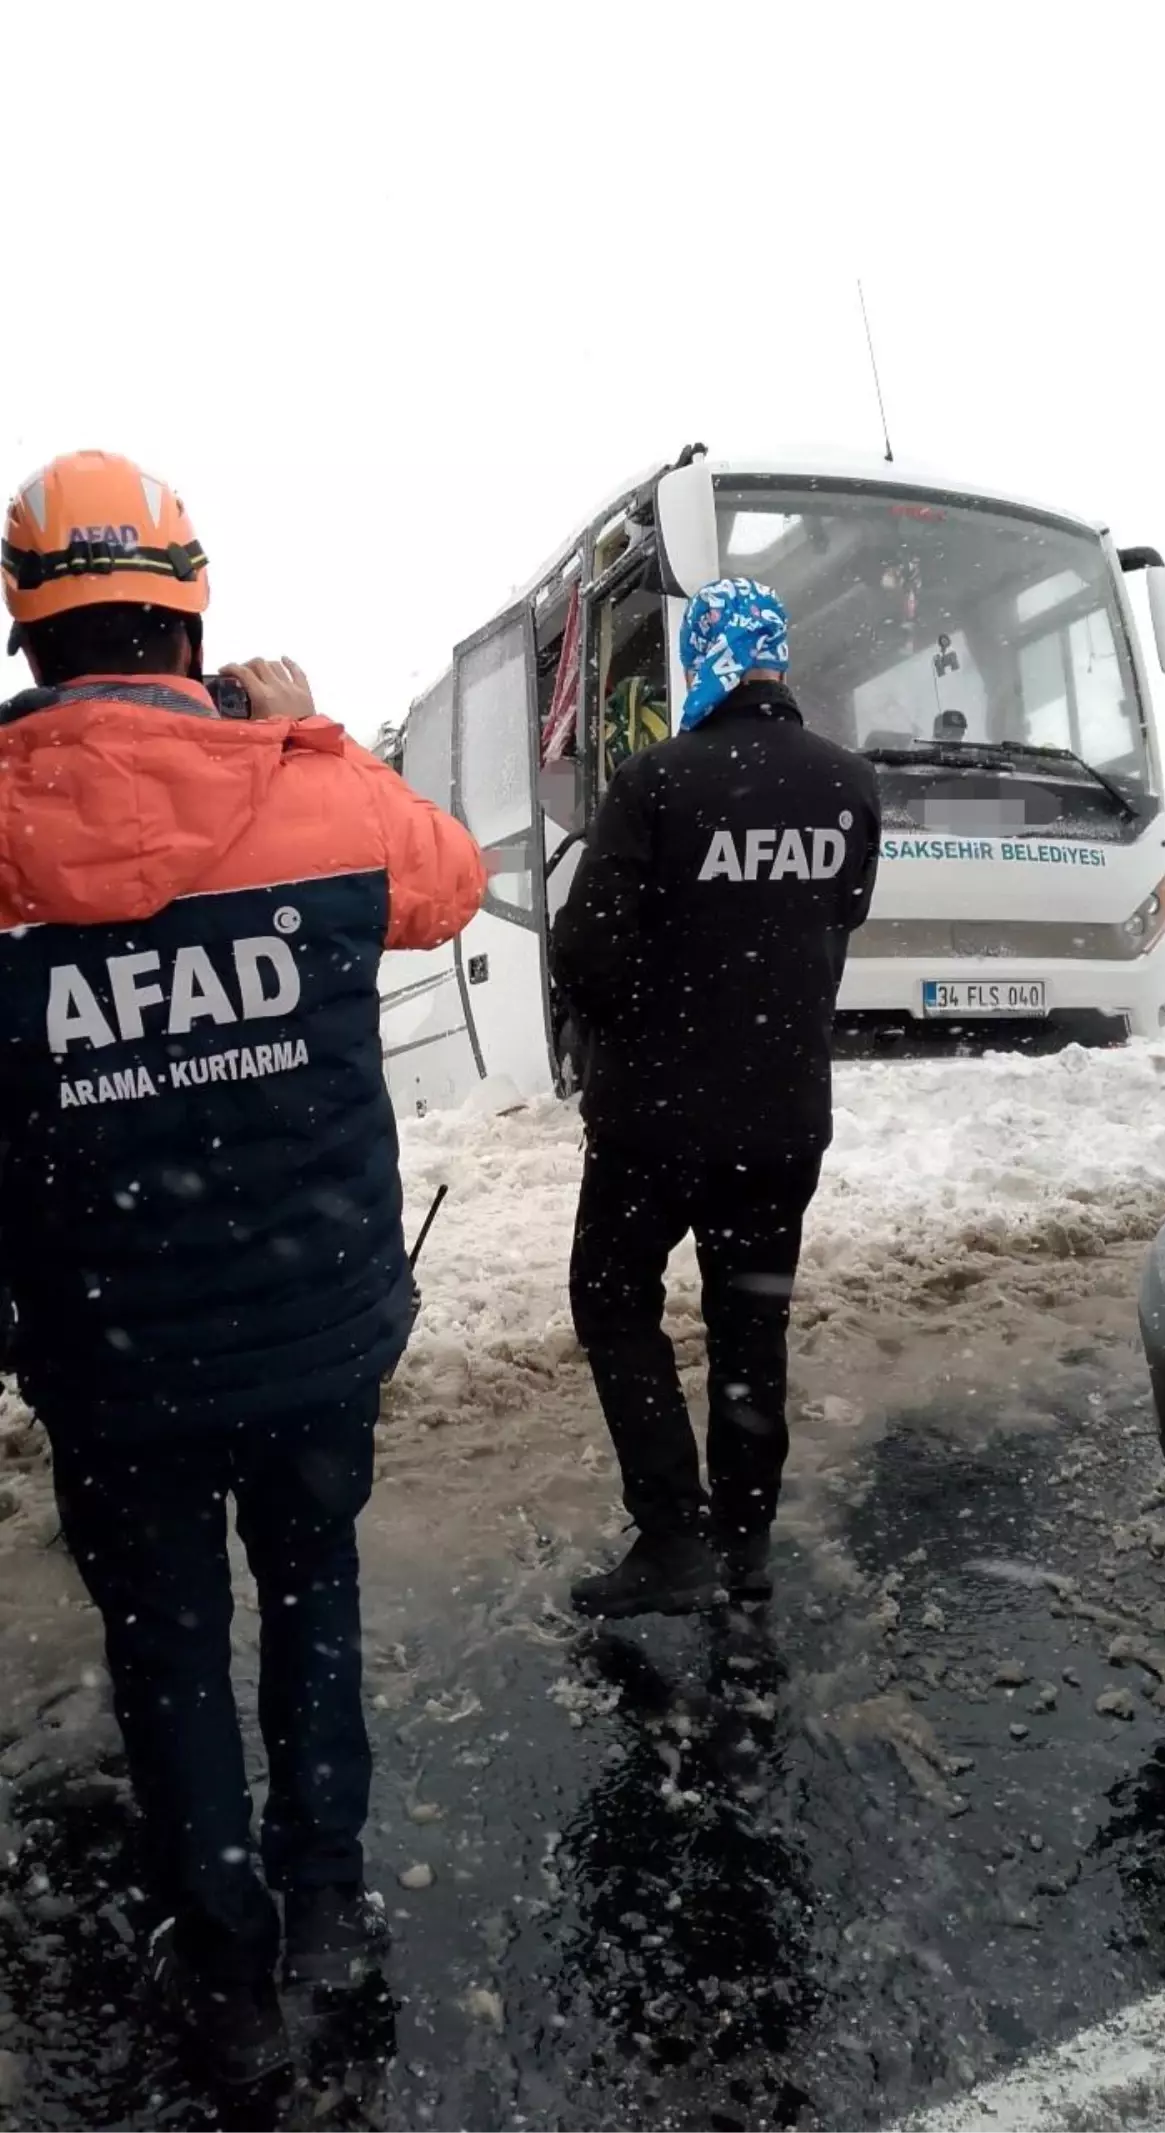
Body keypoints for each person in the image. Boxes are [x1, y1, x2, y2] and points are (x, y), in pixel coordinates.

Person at [0, 452, 486, 2084]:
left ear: (24, 611)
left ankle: (221, 1930)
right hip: (313, 1327)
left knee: (167, 1636)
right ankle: (326, 1892)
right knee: (311, 1592)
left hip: (108, 1354)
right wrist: (312, 725)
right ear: (189, 599)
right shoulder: (310, 784)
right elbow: (455, 880)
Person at [552, 577, 880, 1621]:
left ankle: (671, 1534)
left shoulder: (658, 782)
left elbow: (586, 953)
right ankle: (747, 1543)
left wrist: (640, 1016)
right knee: (751, 1320)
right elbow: (844, 913)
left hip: (656, 1117)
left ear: (704, 661)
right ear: (776, 659)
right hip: (784, 1116)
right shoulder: (848, 784)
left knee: (613, 1300)